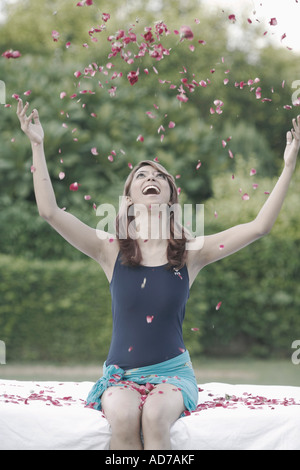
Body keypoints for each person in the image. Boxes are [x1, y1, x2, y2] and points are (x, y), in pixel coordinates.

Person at [17, 99, 300, 450]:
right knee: (122, 417)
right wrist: (37, 143)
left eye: (159, 177)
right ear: (130, 198)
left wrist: (288, 165)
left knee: (153, 417)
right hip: (120, 376)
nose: (151, 178)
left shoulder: (192, 253)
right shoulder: (110, 249)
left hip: (173, 376)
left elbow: (259, 227)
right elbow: (49, 212)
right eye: (142, 176)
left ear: (170, 197)